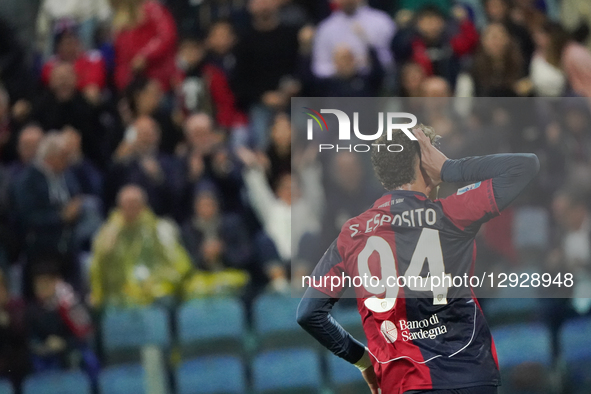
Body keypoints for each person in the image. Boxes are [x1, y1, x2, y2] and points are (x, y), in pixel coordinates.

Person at [297, 125, 539, 394]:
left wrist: (364, 362)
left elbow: (309, 313)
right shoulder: (452, 212)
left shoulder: (351, 234)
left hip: (404, 384)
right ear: (424, 162)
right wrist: (450, 168)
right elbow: (524, 166)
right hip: (470, 375)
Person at [90, 185, 192, 307]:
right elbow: (97, 266)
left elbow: (177, 263)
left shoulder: (157, 228)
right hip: (120, 292)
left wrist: (158, 281)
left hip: (155, 287)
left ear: (143, 206)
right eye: (127, 204)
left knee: (167, 299)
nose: (131, 208)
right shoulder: (108, 232)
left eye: (135, 204)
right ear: (120, 206)